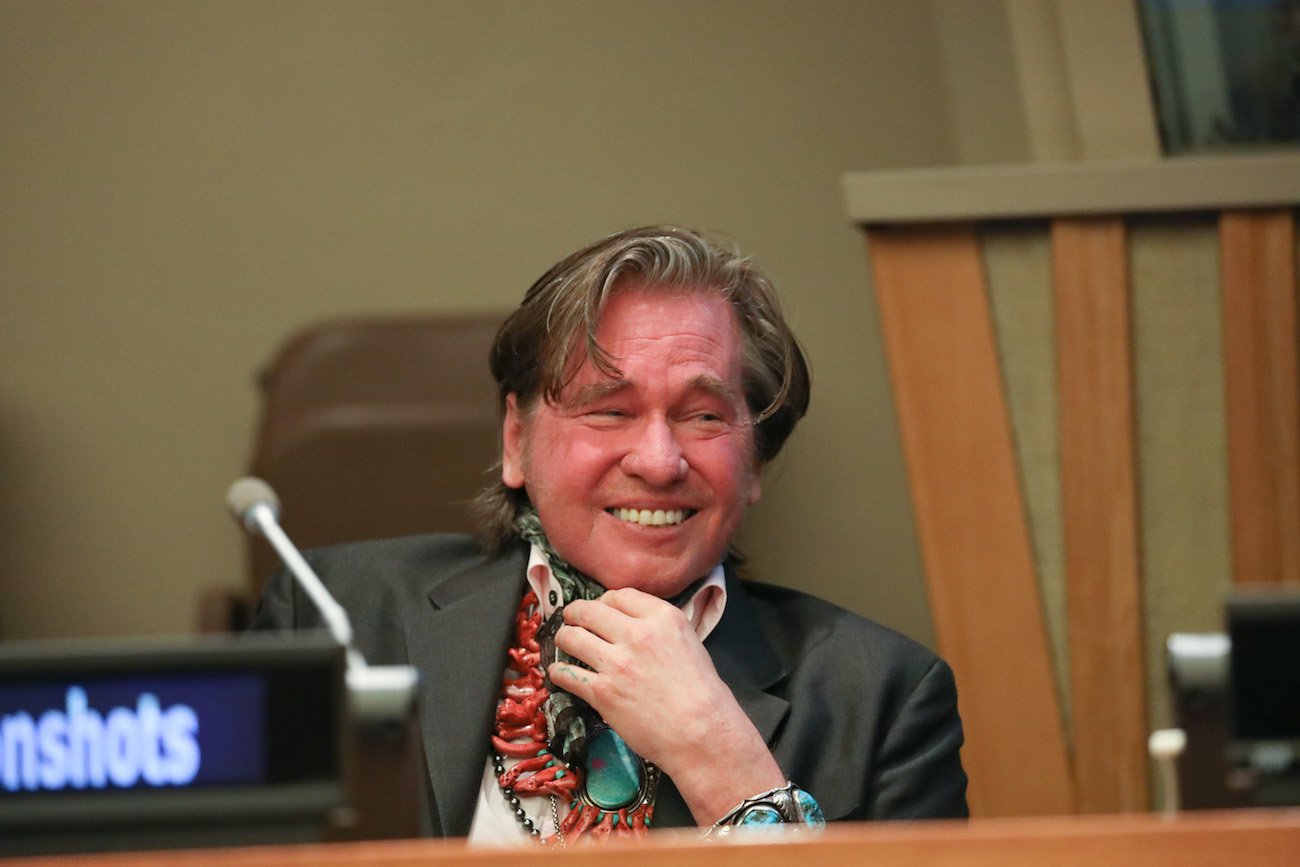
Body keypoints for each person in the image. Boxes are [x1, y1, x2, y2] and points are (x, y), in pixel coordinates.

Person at [251, 225, 968, 844]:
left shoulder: (885, 697)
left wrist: (723, 761)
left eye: (704, 416)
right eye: (610, 410)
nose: (659, 461)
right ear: (516, 440)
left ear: (754, 463)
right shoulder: (330, 613)